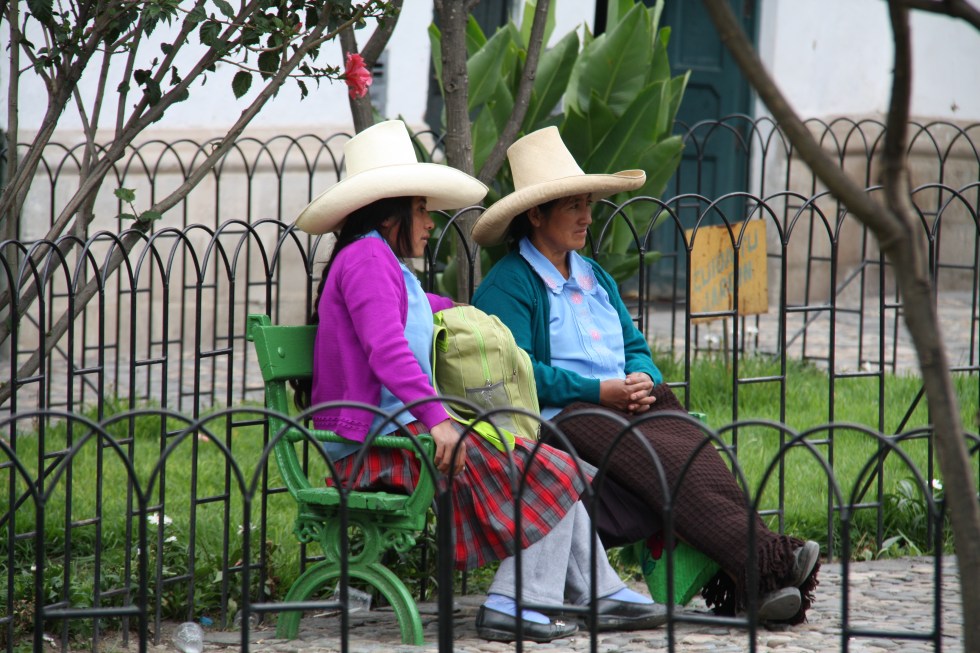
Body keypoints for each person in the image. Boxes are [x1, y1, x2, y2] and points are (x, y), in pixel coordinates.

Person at [291, 120, 668, 643]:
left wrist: (478, 317)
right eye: (421, 208)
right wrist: (438, 420)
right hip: (375, 444)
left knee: (555, 466)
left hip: (400, 433)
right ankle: (516, 604)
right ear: (390, 210)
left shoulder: (384, 264)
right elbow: (388, 349)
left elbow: (432, 310)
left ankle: (598, 591)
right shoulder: (366, 260)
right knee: (549, 468)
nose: (430, 222)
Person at [471, 126, 821, 624]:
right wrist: (601, 391)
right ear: (536, 215)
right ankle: (769, 561)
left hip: (625, 403)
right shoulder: (509, 284)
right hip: (564, 417)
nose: (587, 217)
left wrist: (640, 376)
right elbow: (519, 373)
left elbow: (635, 347)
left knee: (697, 456)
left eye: (588, 205)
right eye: (573, 207)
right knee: (667, 466)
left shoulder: (594, 276)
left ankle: (756, 584)